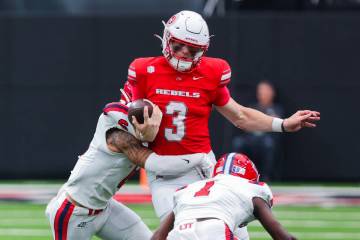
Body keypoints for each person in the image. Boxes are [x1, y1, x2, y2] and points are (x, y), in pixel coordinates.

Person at [120, 10, 320, 239]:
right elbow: (125, 120)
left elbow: (240, 116)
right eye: (178, 46)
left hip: (205, 167)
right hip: (166, 174)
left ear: (202, 50)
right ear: (166, 40)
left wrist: (283, 124)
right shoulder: (144, 70)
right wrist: (138, 130)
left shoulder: (211, 72)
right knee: (185, 234)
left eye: (192, 49)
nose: (184, 54)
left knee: (237, 234)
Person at [45, 101, 213, 240]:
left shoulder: (129, 131)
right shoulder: (120, 137)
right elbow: (157, 165)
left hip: (104, 207)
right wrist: (199, 158)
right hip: (75, 212)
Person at [151, 153, 297, 240]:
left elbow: (158, 236)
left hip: (180, 232)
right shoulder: (251, 189)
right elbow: (279, 234)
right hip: (215, 229)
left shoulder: (188, 190)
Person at [232, 80, 284, 181]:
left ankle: (265, 177)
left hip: (266, 138)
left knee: (268, 144)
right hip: (250, 137)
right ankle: (237, 173)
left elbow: (279, 123)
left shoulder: (276, 108)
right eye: (261, 91)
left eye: (265, 91)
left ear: (272, 92)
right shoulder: (253, 107)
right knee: (238, 142)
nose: (263, 93)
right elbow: (245, 122)